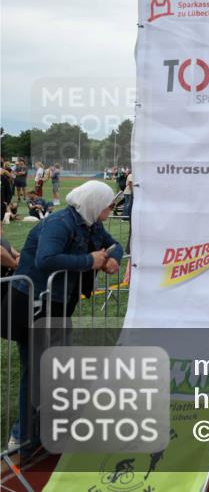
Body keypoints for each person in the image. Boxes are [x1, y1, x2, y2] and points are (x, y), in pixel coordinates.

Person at [4, 181, 123, 462]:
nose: (111, 208)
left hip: (55, 305)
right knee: (36, 373)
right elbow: (46, 259)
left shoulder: (90, 222)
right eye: (108, 204)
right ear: (94, 203)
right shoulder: (60, 222)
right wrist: (90, 260)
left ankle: (46, 431)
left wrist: (112, 259)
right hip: (35, 305)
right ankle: (22, 438)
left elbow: (113, 245)